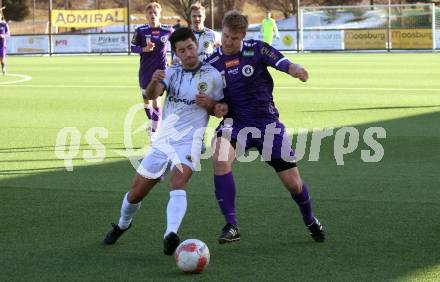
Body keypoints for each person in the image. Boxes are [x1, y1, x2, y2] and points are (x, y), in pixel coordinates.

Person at [103, 27, 228, 256]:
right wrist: (153, 81)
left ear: (197, 46)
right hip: (163, 141)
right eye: (182, 50)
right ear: (176, 53)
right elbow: (152, 95)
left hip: (190, 142)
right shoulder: (171, 72)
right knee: (136, 194)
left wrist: (211, 105)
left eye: (191, 47)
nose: (189, 53)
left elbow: (223, 109)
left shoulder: (212, 75)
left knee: (177, 182)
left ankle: (170, 234)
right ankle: (123, 224)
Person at [206, 11, 325, 244]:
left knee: (293, 184)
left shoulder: (257, 49)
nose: (229, 42)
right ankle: (231, 225)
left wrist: (297, 70)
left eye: (234, 38)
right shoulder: (212, 63)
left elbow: (282, 62)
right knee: (220, 158)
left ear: (244, 36)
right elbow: (210, 100)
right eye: (226, 36)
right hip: (236, 123)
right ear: (222, 30)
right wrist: (216, 107)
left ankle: (310, 219)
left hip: (266, 122)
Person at [130, 2, 173, 141]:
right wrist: (144, 49)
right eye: (150, 13)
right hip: (145, 71)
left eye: (155, 13)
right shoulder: (140, 30)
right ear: (146, 15)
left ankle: (155, 132)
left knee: (156, 100)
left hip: (161, 71)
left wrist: (176, 60)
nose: (153, 15)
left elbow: (178, 44)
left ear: (160, 14)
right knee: (146, 102)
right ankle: (153, 123)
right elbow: (132, 47)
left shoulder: (168, 30)